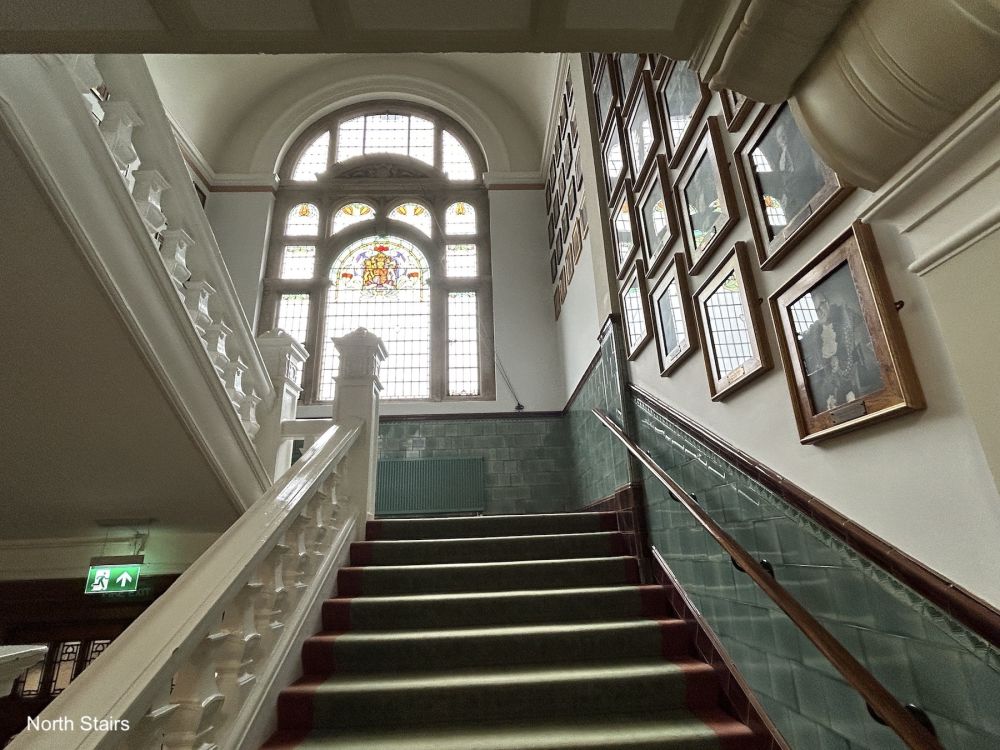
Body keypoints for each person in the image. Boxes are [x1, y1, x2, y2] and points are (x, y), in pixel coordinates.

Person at [797, 284, 883, 412]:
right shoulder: (812, 336)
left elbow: (865, 352)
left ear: (828, 302)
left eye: (822, 304)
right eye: (816, 310)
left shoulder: (849, 318)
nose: (821, 311)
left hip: (859, 382)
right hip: (834, 393)